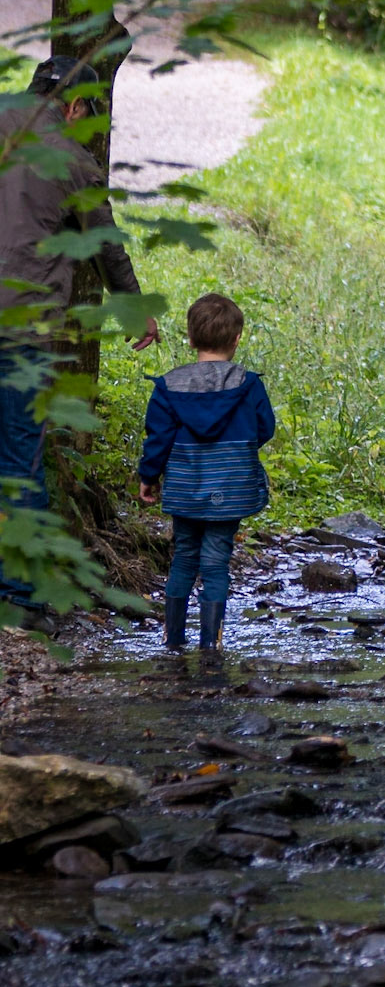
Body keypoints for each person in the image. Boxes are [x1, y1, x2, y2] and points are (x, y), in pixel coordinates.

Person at [0, 55, 160, 613]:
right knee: (20, 459)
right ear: (73, 107)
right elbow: (106, 246)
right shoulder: (72, 161)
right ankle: (19, 598)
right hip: (23, 332)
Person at [137, 291, 275, 659]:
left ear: (191, 338)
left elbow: (158, 439)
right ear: (236, 339)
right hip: (230, 490)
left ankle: (173, 641)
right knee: (216, 563)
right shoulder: (248, 385)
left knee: (183, 556)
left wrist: (148, 476)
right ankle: (211, 643)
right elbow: (265, 429)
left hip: (185, 488)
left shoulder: (169, 387)